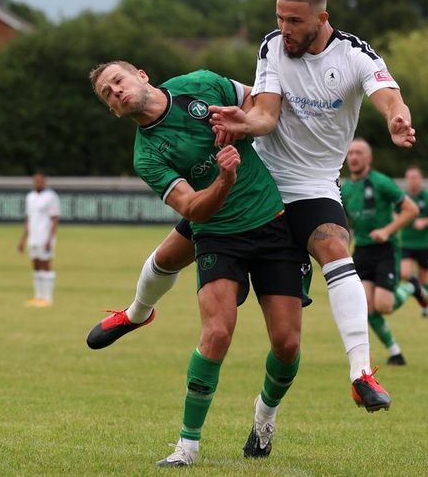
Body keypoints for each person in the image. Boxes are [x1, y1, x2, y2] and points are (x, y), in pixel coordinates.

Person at [86, 0, 416, 413]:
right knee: (168, 256)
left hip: (313, 184)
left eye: (293, 20)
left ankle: (361, 373)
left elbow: (389, 96)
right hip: (259, 176)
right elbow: (266, 114)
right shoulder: (273, 46)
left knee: (334, 250)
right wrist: (244, 123)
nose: (284, 28)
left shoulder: (354, 54)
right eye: (278, 17)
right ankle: (135, 313)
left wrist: (396, 118)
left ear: (322, 18)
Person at [88, 61, 307, 467]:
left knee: (288, 344)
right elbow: (192, 208)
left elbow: (261, 102)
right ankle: (187, 446)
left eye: (117, 81)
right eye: (107, 95)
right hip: (218, 233)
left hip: (271, 222)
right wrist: (224, 179)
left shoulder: (200, 84)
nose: (115, 92)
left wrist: (241, 123)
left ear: (141, 74)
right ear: (114, 112)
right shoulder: (147, 155)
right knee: (217, 332)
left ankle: (265, 417)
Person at [341, 139, 420, 366]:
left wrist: (387, 231)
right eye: (351, 153)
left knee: (384, 306)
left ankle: (412, 286)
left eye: (359, 153)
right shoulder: (344, 189)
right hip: (362, 252)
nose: (354, 157)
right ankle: (395, 352)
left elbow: (411, 209)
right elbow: (347, 224)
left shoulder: (381, 182)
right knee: (365, 307)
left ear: (369, 158)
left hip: (385, 250)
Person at [399, 166, 428, 318]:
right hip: (406, 242)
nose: (413, 181)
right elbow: (394, 215)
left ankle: (425, 307)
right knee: (404, 272)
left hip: (424, 244)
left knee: (424, 277)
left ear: (420, 179)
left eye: (415, 177)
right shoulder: (402, 198)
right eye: (410, 178)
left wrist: (425, 221)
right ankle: (415, 286)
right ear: (406, 180)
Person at [18, 172, 60, 307]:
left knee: (46, 265)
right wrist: (23, 239)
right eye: (36, 181)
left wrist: (50, 239)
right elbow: (28, 219)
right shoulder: (30, 197)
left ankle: (48, 298)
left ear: (45, 182)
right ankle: (38, 296)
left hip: (44, 236)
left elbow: (54, 219)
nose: (38, 184)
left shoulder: (51, 196)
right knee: (35, 265)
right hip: (33, 237)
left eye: (40, 181)